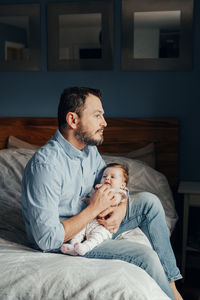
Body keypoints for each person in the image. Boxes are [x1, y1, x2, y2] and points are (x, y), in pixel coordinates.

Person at [21, 87, 183, 300]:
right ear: (73, 120)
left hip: (93, 222)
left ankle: (173, 291)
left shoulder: (89, 151)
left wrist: (122, 207)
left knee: (149, 202)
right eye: (97, 115)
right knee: (145, 255)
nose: (104, 122)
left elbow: (111, 185)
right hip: (67, 239)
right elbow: (46, 239)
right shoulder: (45, 166)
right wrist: (94, 208)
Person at [61, 163, 128, 256]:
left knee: (97, 237)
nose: (107, 178)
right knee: (78, 231)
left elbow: (116, 200)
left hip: (103, 225)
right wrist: (88, 200)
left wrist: (109, 195)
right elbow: (94, 202)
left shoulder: (119, 193)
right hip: (89, 220)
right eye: (104, 176)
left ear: (122, 185)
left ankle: (85, 247)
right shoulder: (98, 189)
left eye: (112, 177)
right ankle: (73, 246)